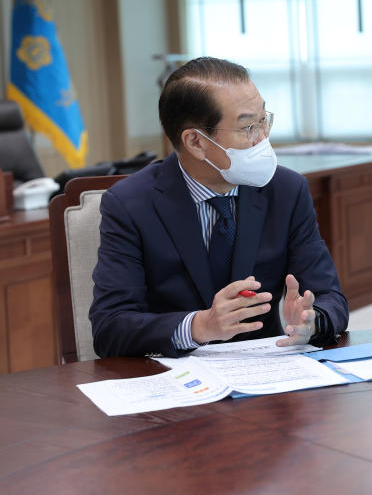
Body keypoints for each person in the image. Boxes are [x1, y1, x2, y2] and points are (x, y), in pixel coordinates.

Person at [90, 57, 348, 358]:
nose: (262, 138)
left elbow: (331, 298)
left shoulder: (286, 191)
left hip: (268, 377)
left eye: (264, 120)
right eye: (248, 126)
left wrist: (311, 321)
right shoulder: (131, 204)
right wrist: (199, 326)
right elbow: (110, 327)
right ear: (195, 142)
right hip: (175, 381)